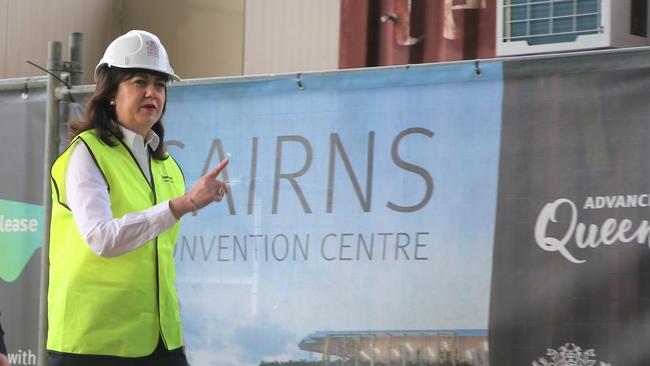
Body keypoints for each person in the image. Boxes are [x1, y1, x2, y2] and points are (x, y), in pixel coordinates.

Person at [46, 30, 228, 366]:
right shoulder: (87, 153)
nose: (152, 92)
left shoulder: (167, 164)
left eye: (160, 84)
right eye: (139, 81)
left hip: (162, 341)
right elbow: (102, 238)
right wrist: (183, 204)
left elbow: (157, 258)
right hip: (94, 344)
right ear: (111, 93)